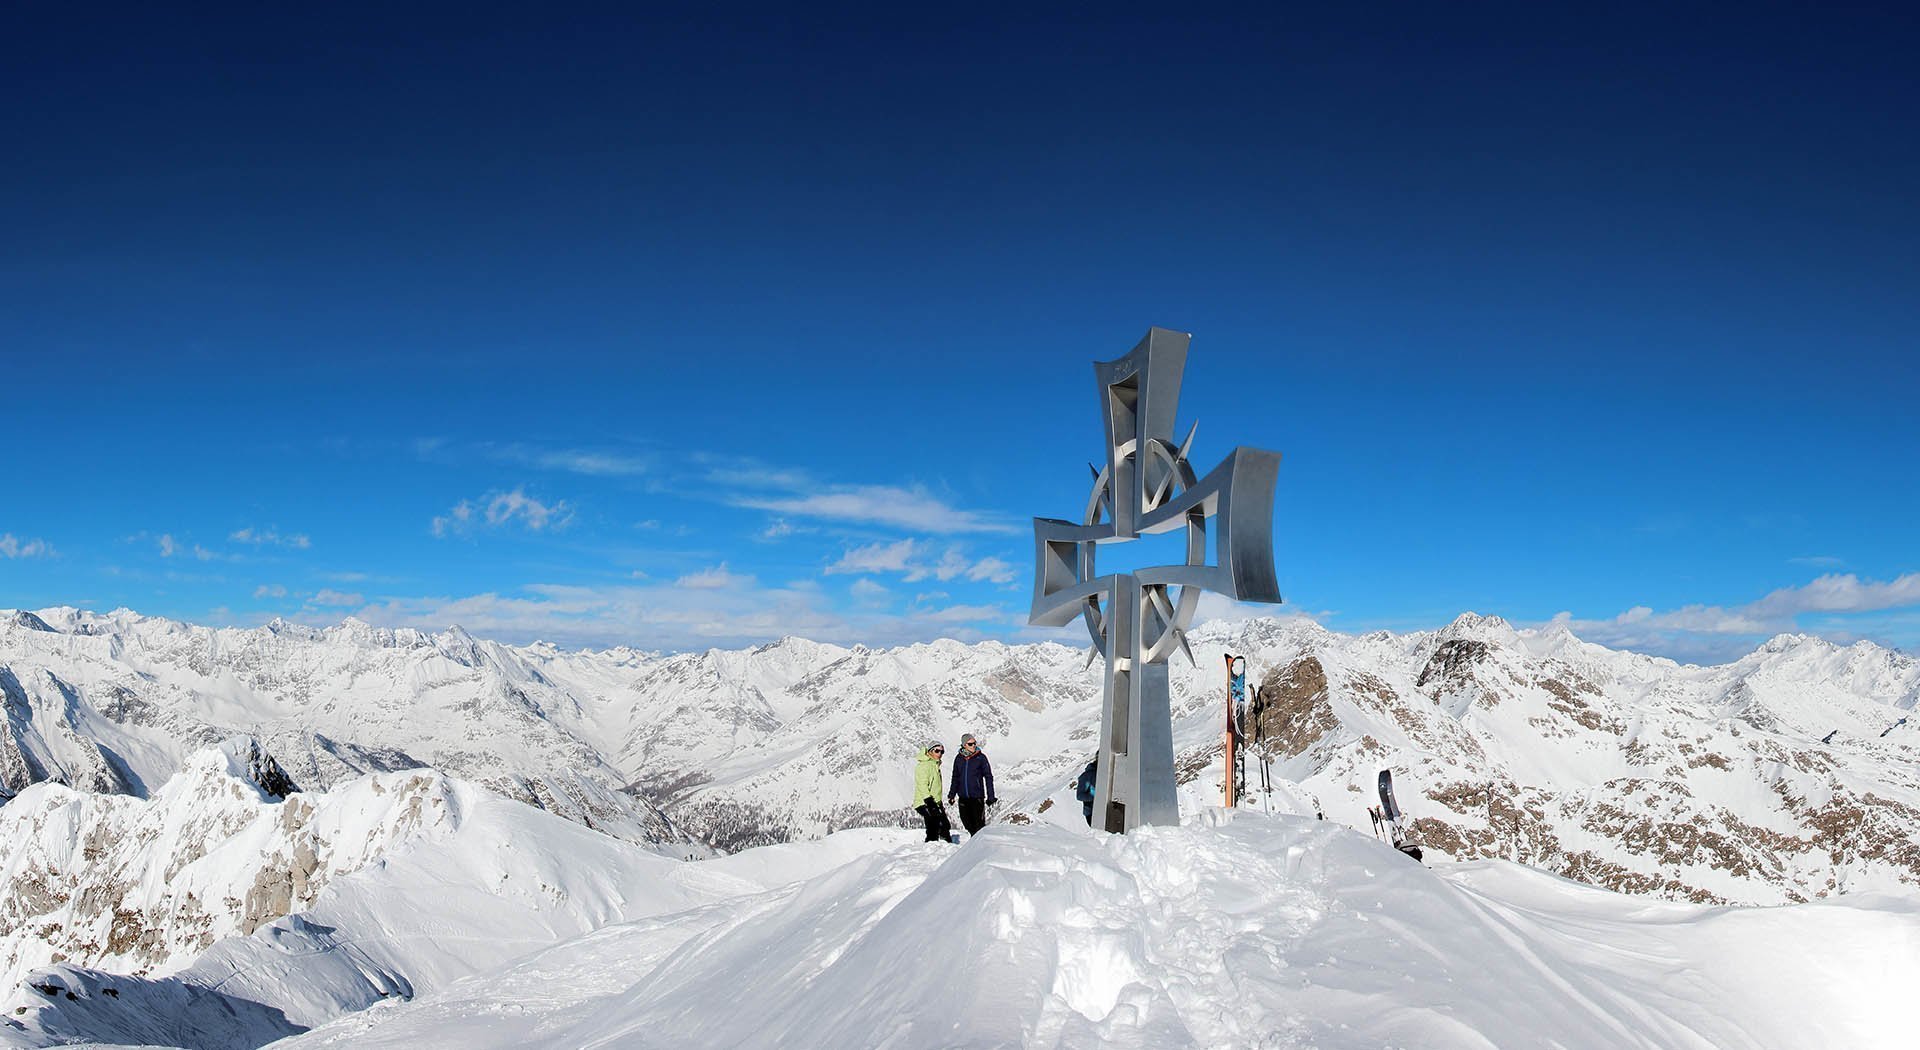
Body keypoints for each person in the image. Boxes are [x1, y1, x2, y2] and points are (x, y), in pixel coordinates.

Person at [947, 733, 995, 836]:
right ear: (964, 745)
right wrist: (952, 795)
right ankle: (974, 847)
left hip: (977, 797)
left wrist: (991, 796)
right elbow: (955, 777)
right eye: (970, 744)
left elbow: (988, 777)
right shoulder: (958, 759)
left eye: (974, 743)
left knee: (979, 827)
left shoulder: (981, 758)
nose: (973, 746)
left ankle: (980, 849)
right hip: (963, 797)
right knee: (968, 825)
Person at [913, 742, 952, 844]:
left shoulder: (934, 764)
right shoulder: (923, 766)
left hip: (935, 801)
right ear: (930, 751)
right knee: (934, 827)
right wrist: (929, 801)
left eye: (942, 752)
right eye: (937, 751)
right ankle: (932, 851)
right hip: (925, 802)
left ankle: (945, 849)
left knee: (944, 826)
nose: (940, 754)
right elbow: (922, 784)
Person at [1073, 755, 1098, 826]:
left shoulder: (1106, 773)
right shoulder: (1087, 775)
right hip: (1091, 812)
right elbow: (1080, 796)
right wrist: (1096, 797)